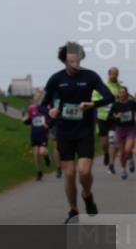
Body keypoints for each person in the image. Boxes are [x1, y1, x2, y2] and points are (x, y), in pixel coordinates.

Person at [41, 43, 115, 223]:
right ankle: (73, 211)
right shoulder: (56, 79)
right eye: (70, 60)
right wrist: (49, 111)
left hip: (84, 131)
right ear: (64, 60)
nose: (74, 64)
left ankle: (87, 194)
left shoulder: (90, 76)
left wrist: (93, 104)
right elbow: (43, 104)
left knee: (83, 171)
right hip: (64, 132)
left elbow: (109, 97)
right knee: (69, 174)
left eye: (77, 60)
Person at [93, 67, 123, 173]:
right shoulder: (102, 87)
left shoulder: (120, 87)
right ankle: (105, 153)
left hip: (113, 118)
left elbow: (123, 100)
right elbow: (94, 100)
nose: (114, 76)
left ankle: (111, 163)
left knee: (112, 141)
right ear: (108, 74)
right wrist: (105, 100)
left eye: (116, 74)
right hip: (102, 117)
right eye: (112, 74)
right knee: (104, 144)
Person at [23, 89, 52, 180]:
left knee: (42, 151)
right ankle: (39, 172)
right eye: (35, 96)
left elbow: (51, 117)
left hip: (43, 133)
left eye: (39, 96)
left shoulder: (46, 107)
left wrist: (48, 124)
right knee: (36, 153)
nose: (37, 97)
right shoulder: (31, 108)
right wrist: (25, 119)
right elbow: (28, 118)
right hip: (34, 133)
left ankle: (47, 156)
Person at [109, 85, 136, 180]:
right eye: (120, 92)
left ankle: (131, 160)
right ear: (118, 94)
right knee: (123, 153)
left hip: (131, 129)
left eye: (123, 92)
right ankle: (123, 170)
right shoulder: (115, 105)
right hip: (120, 130)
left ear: (126, 94)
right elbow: (109, 117)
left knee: (128, 150)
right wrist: (116, 116)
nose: (122, 94)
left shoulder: (131, 103)